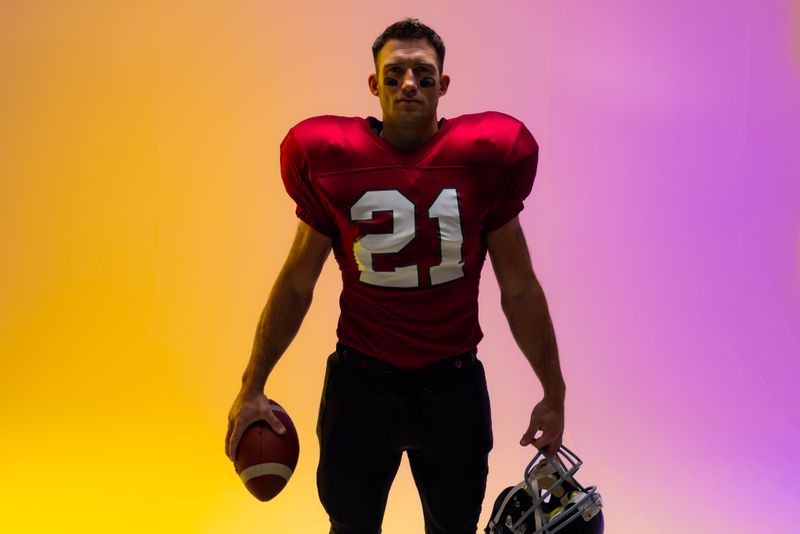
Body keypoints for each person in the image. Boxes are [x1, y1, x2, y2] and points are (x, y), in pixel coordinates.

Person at [225, 17, 567, 534]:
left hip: (452, 385)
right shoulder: (330, 158)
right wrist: (253, 384)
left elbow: (518, 289)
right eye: (395, 73)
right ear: (373, 83)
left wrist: (553, 391)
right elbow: (298, 283)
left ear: (443, 85)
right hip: (362, 385)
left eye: (424, 74)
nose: (409, 83)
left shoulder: (486, 159)